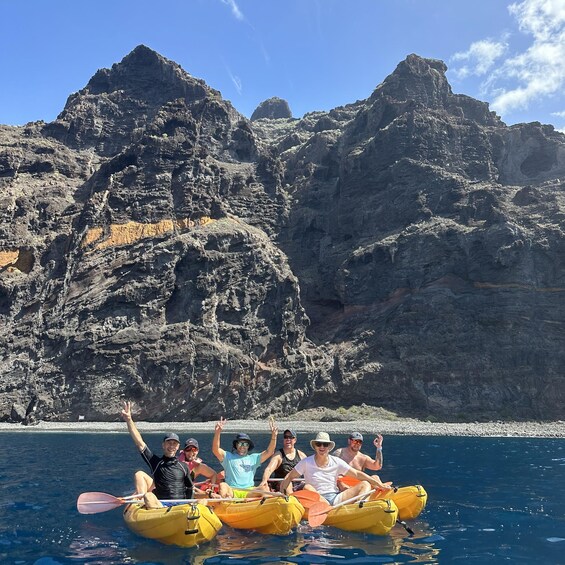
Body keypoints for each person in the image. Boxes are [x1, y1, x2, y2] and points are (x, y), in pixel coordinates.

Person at [279, 432, 392, 506]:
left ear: (328, 447)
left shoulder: (336, 462)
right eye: (319, 444)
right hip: (316, 499)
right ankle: (327, 508)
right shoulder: (306, 462)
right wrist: (284, 496)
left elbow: (357, 474)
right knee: (307, 486)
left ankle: (360, 507)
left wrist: (379, 484)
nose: (322, 447)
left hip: (335, 497)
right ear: (315, 446)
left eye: (325, 445)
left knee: (365, 484)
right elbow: (289, 477)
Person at [120, 401, 193, 508]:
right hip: (161, 505)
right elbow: (140, 443)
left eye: (174, 444)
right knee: (148, 496)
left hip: (181, 506)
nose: (171, 446)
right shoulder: (156, 463)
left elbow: (190, 488)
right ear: (163, 445)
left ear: (178, 447)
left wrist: (189, 505)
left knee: (202, 502)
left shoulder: (183, 467)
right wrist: (129, 420)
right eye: (169, 443)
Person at [212, 416, 278, 498]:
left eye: (245, 444)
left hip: (249, 491)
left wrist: (274, 436)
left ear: (248, 446)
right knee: (223, 485)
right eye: (240, 443)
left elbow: (269, 452)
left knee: (264, 488)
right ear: (236, 445)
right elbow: (215, 450)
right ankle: (226, 504)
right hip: (232, 491)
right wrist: (218, 432)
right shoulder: (228, 457)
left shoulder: (254, 458)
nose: (242, 446)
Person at [258, 429, 307, 494]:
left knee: (308, 487)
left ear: (295, 440)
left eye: (291, 437)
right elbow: (269, 469)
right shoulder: (278, 456)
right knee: (288, 484)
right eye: (286, 437)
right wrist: (264, 480)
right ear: (283, 440)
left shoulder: (301, 455)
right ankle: (292, 500)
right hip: (282, 484)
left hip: (297, 484)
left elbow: (310, 471)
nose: (288, 439)